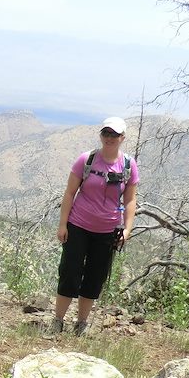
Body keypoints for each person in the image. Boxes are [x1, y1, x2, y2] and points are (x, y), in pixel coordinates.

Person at [49, 116, 139, 336]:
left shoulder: (128, 165)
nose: (109, 138)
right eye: (106, 133)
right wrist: (63, 225)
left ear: (122, 138)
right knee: (70, 273)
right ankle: (58, 320)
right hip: (78, 225)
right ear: (101, 135)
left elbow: (130, 200)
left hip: (107, 232)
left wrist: (127, 229)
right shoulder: (86, 160)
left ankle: (81, 323)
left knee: (94, 277)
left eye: (114, 135)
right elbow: (70, 192)